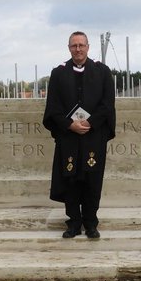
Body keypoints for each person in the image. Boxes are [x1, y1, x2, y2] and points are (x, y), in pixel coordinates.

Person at [42, 32, 116, 239]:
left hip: (94, 134)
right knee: (71, 178)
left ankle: (91, 223)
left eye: (81, 45)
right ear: (69, 48)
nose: (78, 49)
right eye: (74, 46)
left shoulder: (102, 72)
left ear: (88, 47)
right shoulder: (59, 74)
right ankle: (74, 222)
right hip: (69, 136)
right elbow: (53, 107)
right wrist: (69, 125)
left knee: (92, 179)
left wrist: (90, 123)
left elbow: (107, 104)